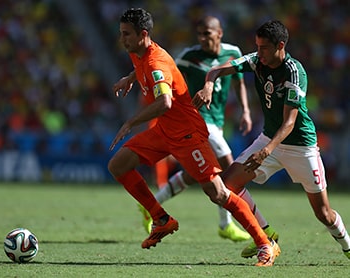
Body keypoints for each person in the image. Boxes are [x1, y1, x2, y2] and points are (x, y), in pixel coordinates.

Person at [108, 8, 280, 266]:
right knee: (118, 165)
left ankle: (264, 243)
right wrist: (130, 77)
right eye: (122, 33)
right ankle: (161, 219)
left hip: (188, 135)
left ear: (143, 35)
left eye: (126, 34)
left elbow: (165, 102)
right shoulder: (138, 51)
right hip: (165, 131)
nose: (122, 39)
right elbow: (145, 67)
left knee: (218, 193)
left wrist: (132, 121)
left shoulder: (156, 62)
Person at [192, 19, 350, 259]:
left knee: (324, 214)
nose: (259, 52)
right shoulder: (257, 61)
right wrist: (209, 84)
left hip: (301, 147)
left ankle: (348, 247)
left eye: (264, 47)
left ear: (281, 45)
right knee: (225, 186)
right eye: (257, 46)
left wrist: (265, 151)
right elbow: (216, 70)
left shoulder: (294, 72)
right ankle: (266, 237)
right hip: (269, 139)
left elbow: (289, 122)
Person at [139, 16, 252, 242]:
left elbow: (239, 81)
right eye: (199, 34)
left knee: (195, 174)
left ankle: (153, 204)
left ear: (219, 33)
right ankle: (226, 224)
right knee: (227, 167)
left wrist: (246, 110)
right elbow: (162, 67)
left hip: (217, 121)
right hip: (197, 118)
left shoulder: (232, 53)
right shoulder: (189, 56)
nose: (202, 38)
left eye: (207, 34)